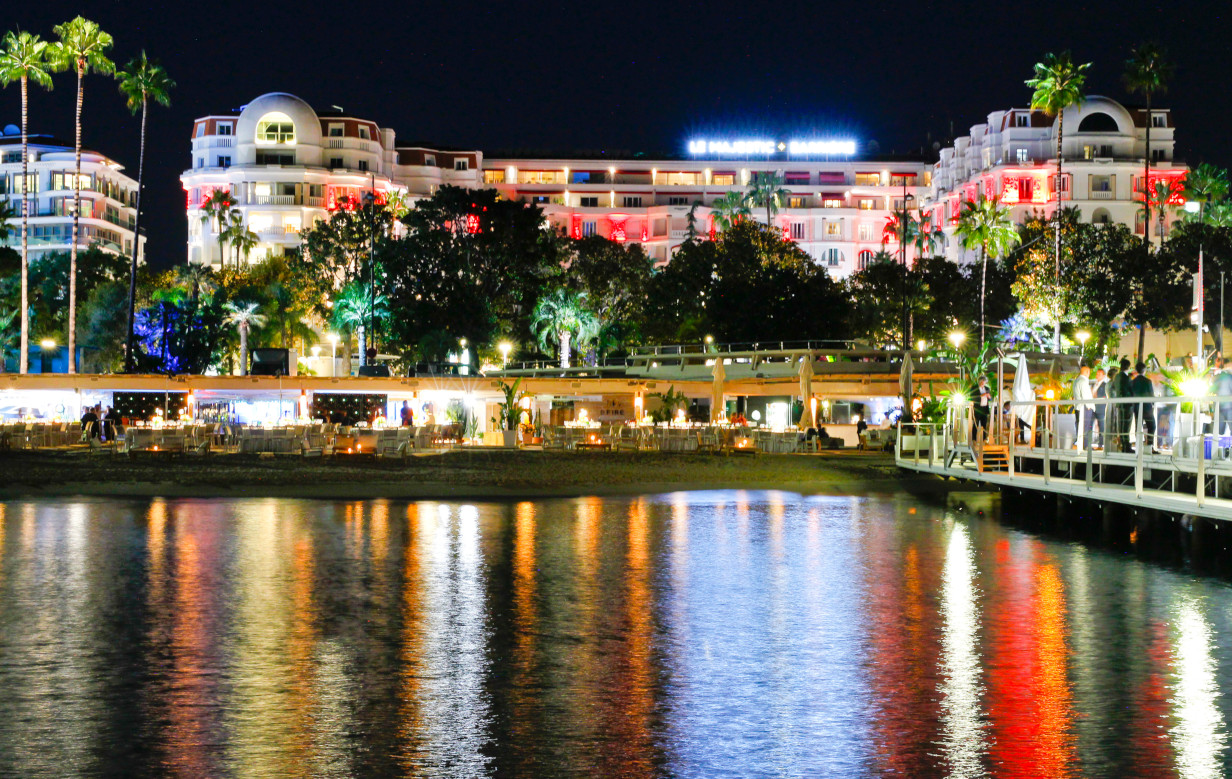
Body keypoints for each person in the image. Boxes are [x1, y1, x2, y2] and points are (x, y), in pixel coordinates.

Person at [1131, 361, 1156, 451]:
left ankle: (1138, 446)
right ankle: (1149, 446)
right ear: (1144, 370)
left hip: (1136, 408)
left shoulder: (1133, 382)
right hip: (1147, 408)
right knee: (1152, 426)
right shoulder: (1147, 381)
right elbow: (1151, 395)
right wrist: (1153, 404)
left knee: (1138, 427)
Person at [1109, 359, 1133, 452]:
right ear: (1128, 367)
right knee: (1126, 426)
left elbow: (1114, 388)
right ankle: (1126, 447)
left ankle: (1123, 445)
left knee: (1121, 426)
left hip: (1119, 404)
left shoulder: (1117, 377)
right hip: (1127, 405)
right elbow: (1131, 391)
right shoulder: (1127, 378)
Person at [1071, 363, 1092, 449]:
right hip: (1084, 407)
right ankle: (1085, 446)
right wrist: (1089, 406)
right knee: (1085, 427)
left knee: (1080, 426)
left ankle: (1081, 444)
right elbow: (1085, 395)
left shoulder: (1076, 380)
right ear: (1087, 372)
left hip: (1078, 407)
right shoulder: (1083, 381)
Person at [1214, 357, 1232, 436]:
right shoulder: (1229, 376)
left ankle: (1219, 446)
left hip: (1220, 406)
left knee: (1219, 432)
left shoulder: (1218, 377)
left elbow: (1213, 389)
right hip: (1228, 407)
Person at [1090, 368, 1108, 449]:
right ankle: (1088, 443)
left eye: (1099, 374)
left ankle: (1101, 444)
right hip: (1092, 408)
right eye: (1097, 374)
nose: (1097, 375)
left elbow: (1105, 397)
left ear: (1103, 376)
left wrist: (1096, 397)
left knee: (1101, 427)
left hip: (1100, 408)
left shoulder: (1105, 385)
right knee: (1089, 425)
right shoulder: (1094, 384)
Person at [973, 375, 992, 441]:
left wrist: (989, 397)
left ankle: (984, 438)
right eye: (982, 382)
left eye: (984, 382)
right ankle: (974, 439)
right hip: (977, 408)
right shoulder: (974, 388)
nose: (983, 383)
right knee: (976, 424)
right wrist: (981, 395)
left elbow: (990, 398)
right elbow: (972, 398)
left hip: (984, 408)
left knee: (984, 424)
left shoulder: (987, 388)